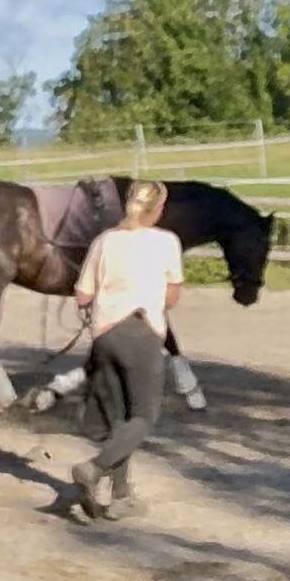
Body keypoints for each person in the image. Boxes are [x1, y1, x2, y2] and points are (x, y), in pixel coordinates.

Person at [70, 178, 184, 521]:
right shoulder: (166, 241)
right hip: (142, 331)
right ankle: (93, 469)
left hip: (105, 334)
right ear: (157, 209)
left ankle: (121, 496)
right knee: (145, 417)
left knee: (120, 418)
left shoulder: (104, 241)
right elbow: (171, 297)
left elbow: (82, 295)